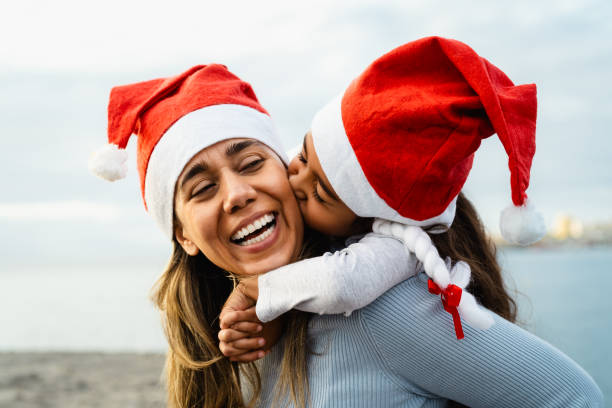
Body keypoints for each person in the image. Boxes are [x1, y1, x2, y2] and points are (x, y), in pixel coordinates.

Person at [89, 60, 603, 407]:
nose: (237, 194)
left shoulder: (382, 309)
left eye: (251, 162)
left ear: (287, 171)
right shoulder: (223, 343)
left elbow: (574, 397)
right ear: (183, 236)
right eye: (201, 190)